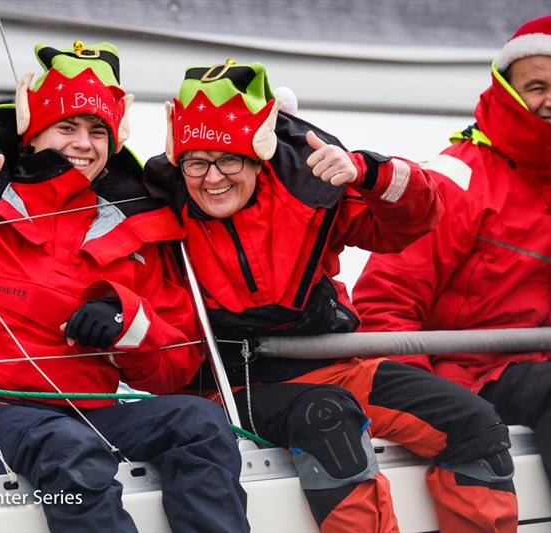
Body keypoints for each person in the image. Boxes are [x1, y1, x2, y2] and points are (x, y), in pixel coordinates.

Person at [0, 41, 250, 533]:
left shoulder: (133, 231)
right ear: (32, 134)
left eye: (97, 130)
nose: (84, 142)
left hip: (84, 415)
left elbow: (176, 365)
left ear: (114, 142)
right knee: (66, 447)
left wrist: (127, 324)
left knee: (199, 425)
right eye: (67, 127)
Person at [142, 59, 518, 532]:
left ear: (259, 157)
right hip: (230, 387)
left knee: (476, 423)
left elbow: (411, 225)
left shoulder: (310, 187)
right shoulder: (154, 204)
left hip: (336, 366)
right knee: (329, 420)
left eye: (229, 159)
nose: (212, 177)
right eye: (196, 162)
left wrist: (368, 172)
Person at [353, 16, 551, 486]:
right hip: (468, 379)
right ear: (505, 89)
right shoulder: (452, 181)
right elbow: (384, 305)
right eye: (537, 86)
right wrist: (432, 404)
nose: (549, 100)